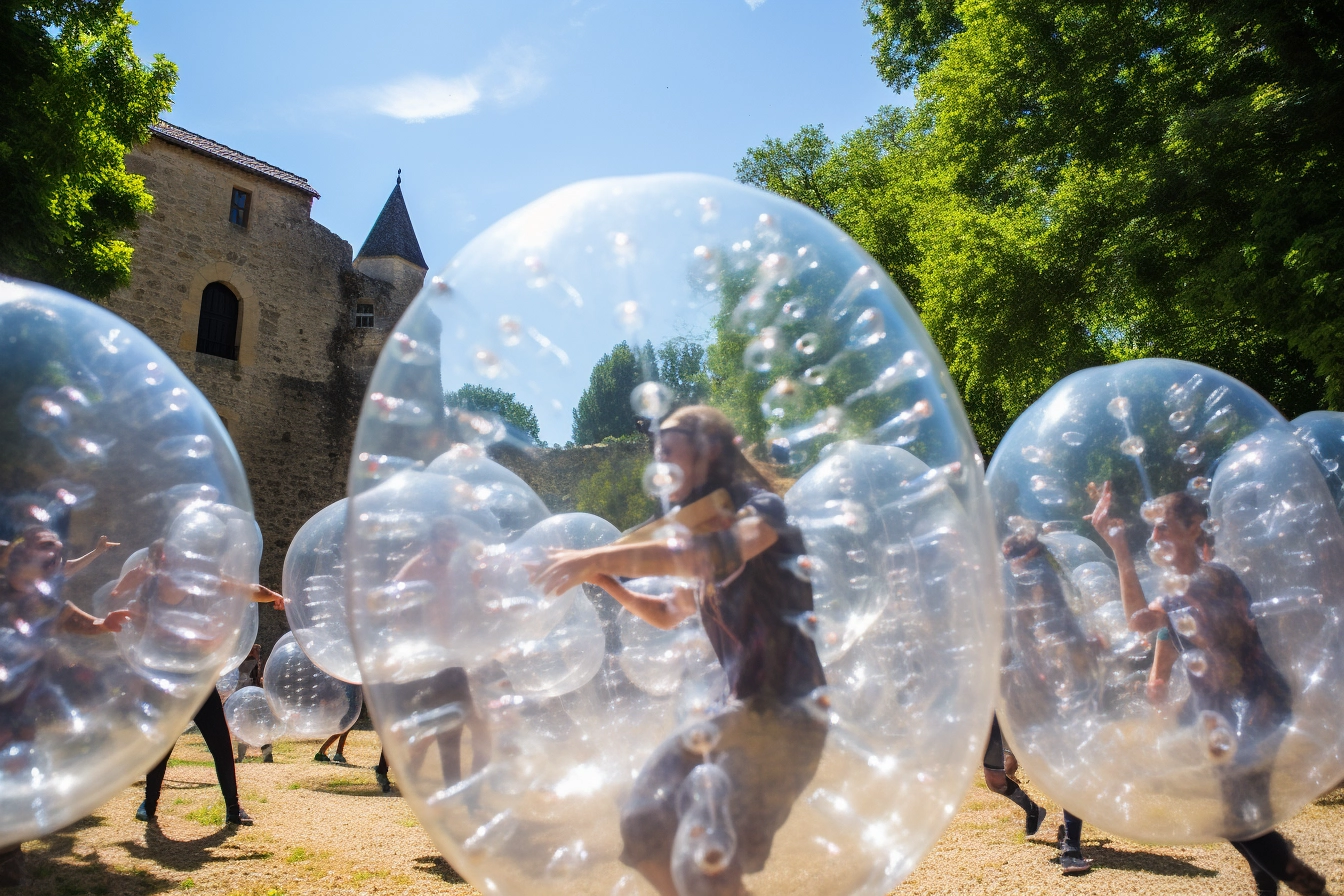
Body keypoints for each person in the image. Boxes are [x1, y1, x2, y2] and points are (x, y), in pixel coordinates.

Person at [531, 405, 827, 896]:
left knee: (701, 857)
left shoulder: (761, 511)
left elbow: (711, 555)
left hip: (787, 715)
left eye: (668, 450)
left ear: (709, 454)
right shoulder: (701, 534)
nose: (658, 463)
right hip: (743, 714)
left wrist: (594, 556)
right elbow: (668, 612)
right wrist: (599, 578)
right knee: (645, 827)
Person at [1090, 482, 1326, 896]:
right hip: (1225, 707)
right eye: (1153, 529)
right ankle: (1275, 886)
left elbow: (1153, 621)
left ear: (1194, 526)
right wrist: (1119, 549)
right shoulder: (1179, 588)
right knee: (1245, 815)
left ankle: (1310, 887)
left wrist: (1121, 551)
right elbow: (1154, 628)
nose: (1156, 536)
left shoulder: (1212, 577)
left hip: (1256, 704)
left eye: (1164, 528)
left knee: (1241, 818)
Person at [113, 541, 287, 827]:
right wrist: (125, 588)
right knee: (162, 745)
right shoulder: (149, 591)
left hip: (198, 681)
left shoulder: (197, 584)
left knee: (220, 743)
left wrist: (273, 596)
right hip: (166, 682)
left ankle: (233, 808)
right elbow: (117, 604)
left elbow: (245, 589)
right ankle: (150, 802)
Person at [0, 526, 129, 887]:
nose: (55, 555)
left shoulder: (43, 600)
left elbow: (71, 618)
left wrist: (103, 624)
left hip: (16, 705)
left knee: (14, 770)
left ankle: (8, 853)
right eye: (45, 547)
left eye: (58, 551)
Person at [372, 521, 491, 794]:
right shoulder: (420, 565)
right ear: (435, 540)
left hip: (456, 659)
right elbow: (394, 598)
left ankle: (465, 792)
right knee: (446, 730)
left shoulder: (459, 567)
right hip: (433, 662)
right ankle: (454, 792)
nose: (452, 543)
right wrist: (406, 627)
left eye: (454, 538)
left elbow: (472, 605)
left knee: (473, 730)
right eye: (447, 538)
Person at [234, 644, 272, 763]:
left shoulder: (256, 663)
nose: (257, 652)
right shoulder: (246, 663)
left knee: (259, 726)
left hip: (255, 698)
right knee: (246, 726)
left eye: (257, 651)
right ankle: (242, 756)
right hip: (247, 698)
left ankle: (267, 756)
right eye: (255, 650)